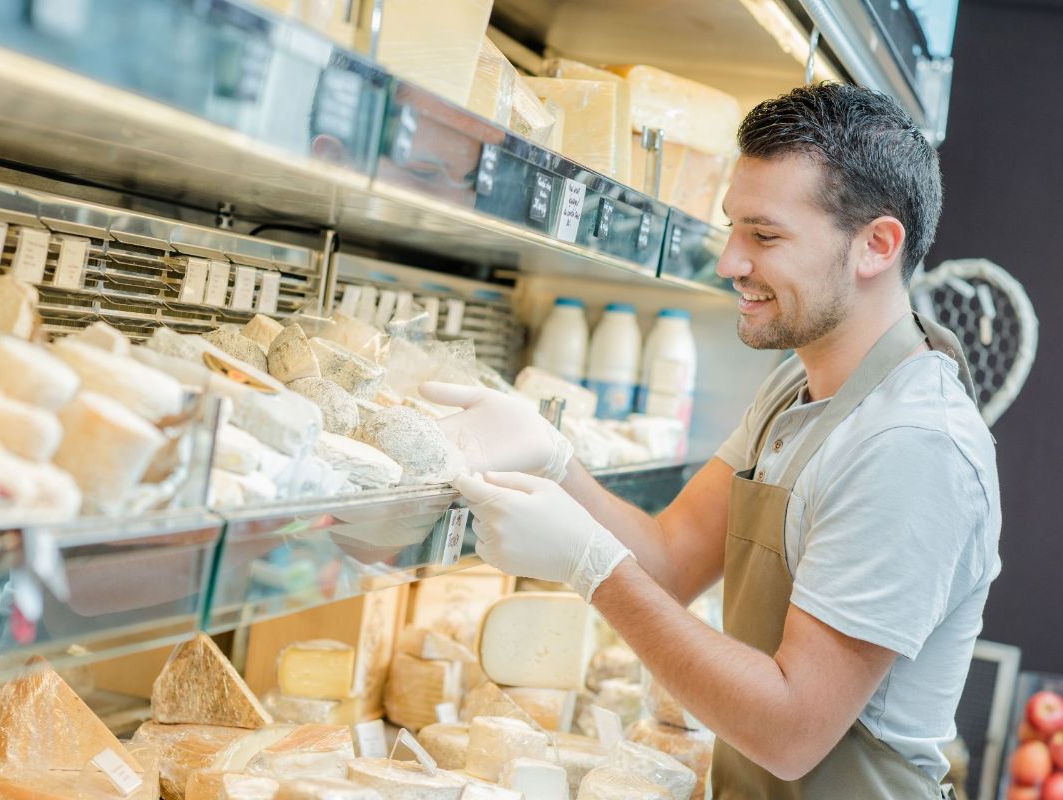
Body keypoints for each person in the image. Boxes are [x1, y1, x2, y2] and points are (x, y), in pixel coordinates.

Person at [420, 82, 1000, 798]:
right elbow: (667, 561)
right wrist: (555, 459)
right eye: (732, 228)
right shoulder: (796, 386)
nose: (729, 261)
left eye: (765, 235)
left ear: (875, 246)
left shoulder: (913, 447)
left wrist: (591, 566)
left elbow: (790, 730)